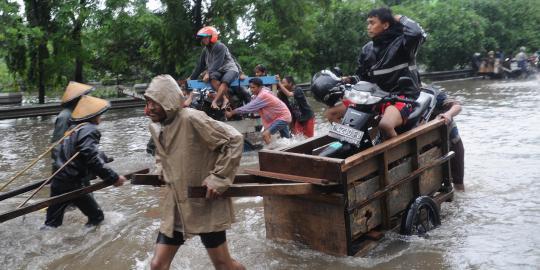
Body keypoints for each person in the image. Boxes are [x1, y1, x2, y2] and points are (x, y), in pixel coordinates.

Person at [143, 75, 245, 270]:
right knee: (157, 265)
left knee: (223, 264)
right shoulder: (158, 127)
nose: (148, 110)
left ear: (168, 101)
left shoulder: (191, 118)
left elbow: (234, 139)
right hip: (176, 206)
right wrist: (161, 170)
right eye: (147, 103)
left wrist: (218, 177)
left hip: (204, 202)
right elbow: (161, 155)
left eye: (153, 103)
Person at [343, 7, 426, 140]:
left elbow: (416, 33)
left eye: (372, 23)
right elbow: (362, 77)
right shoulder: (367, 49)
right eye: (368, 23)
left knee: (385, 125)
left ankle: (397, 157)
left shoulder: (403, 44)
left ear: (386, 24)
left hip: (403, 97)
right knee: (347, 120)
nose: (368, 27)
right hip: (377, 97)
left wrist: (401, 18)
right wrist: (349, 80)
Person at [44, 96, 126, 228]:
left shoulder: (72, 129)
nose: (101, 117)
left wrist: (103, 157)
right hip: (73, 183)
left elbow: (76, 153)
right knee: (97, 216)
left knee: (51, 223)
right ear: (94, 115)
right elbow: (91, 157)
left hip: (58, 180)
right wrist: (113, 178)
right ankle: (83, 240)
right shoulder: (89, 129)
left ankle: (44, 241)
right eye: (100, 114)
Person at [225, 78, 291, 144]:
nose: (251, 90)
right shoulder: (261, 94)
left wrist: (232, 113)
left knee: (265, 134)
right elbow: (252, 108)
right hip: (279, 116)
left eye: (253, 87)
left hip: (282, 117)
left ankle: (271, 153)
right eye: (250, 87)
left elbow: (248, 108)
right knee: (287, 140)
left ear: (260, 87)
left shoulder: (263, 95)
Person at [190, 26, 240, 110]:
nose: (203, 40)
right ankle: (225, 99)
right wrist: (191, 78)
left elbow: (217, 63)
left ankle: (216, 101)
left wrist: (208, 73)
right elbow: (200, 66)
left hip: (230, 69)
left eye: (205, 37)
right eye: (202, 38)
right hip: (219, 70)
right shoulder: (205, 50)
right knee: (212, 78)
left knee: (225, 80)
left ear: (212, 36)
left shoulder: (220, 46)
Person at [430, 91, 465, 191]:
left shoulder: (433, 95)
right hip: (431, 149)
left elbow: (457, 106)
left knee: (458, 184)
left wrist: (448, 114)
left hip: (453, 143)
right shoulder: (405, 99)